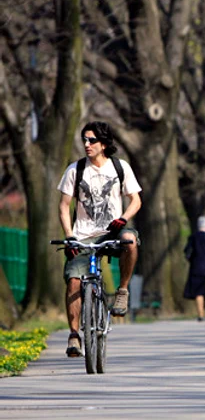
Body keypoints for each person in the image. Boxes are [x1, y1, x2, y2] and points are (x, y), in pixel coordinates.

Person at [57, 121, 141, 357]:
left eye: (91, 140)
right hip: (83, 235)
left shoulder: (119, 167)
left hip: (113, 231)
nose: (86, 144)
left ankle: (122, 291)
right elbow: (64, 207)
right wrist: (69, 236)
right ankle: (74, 336)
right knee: (74, 280)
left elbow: (136, 200)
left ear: (103, 144)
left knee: (130, 241)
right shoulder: (75, 170)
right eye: (84, 139)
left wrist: (123, 219)